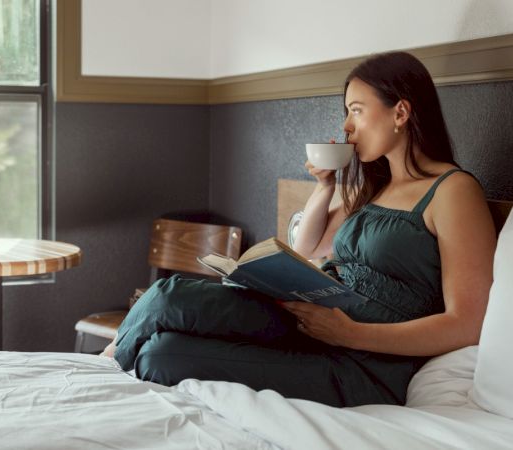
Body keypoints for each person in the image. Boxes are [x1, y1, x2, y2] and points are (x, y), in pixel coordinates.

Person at [104, 51, 497, 407]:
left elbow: (468, 321)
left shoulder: (453, 191)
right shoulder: (376, 188)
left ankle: (98, 372)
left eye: (356, 110)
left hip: (365, 363)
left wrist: (350, 335)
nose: (346, 126)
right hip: (311, 321)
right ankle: (104, 368)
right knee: (163, 316)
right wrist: (326, 186)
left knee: (164, 345)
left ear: (400, 112)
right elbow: (308, 244)